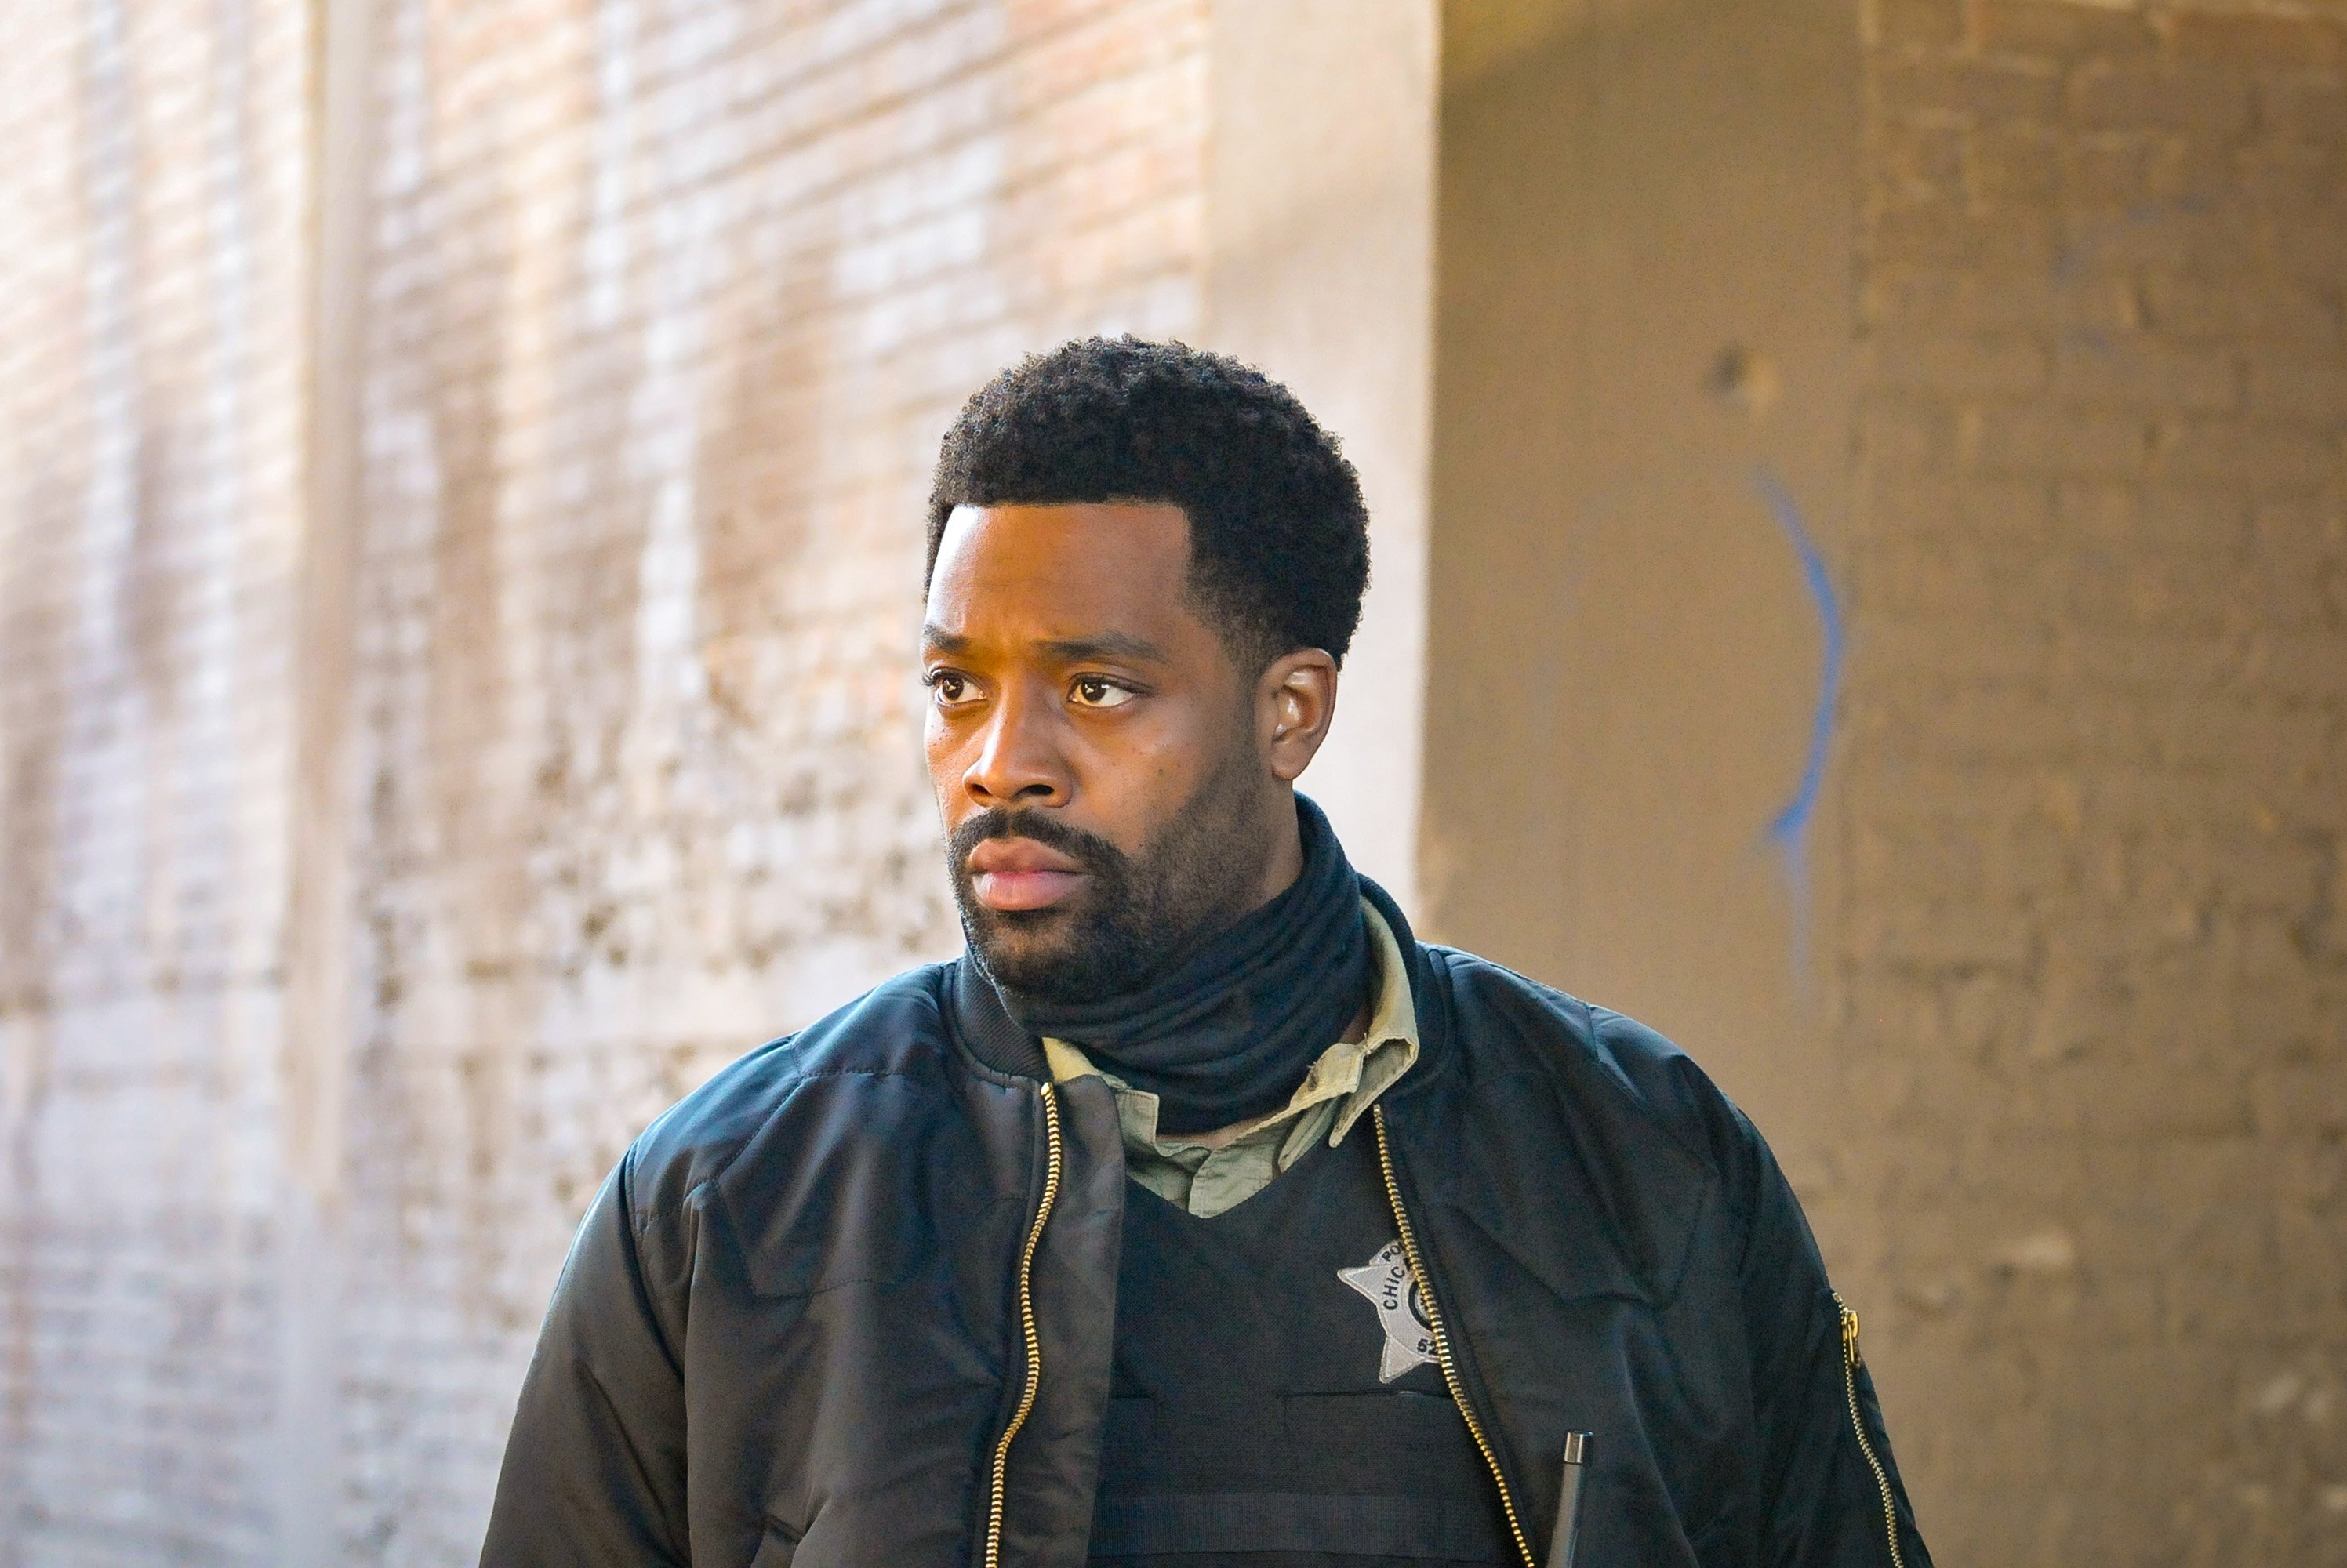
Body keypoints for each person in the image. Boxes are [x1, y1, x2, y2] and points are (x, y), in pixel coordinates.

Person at [479, 338, 1934, 1568]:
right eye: (953, 685)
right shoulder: (726, 1204)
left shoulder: (1645, 1157)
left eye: (1095, 688)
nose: (1001, 763)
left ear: (1290, 709)